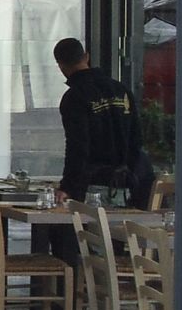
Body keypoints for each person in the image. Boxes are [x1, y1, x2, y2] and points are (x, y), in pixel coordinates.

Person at [52, 38, 154, 209]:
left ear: (60, 65)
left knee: (95, 235)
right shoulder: (121, 89)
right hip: (131, 183)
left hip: (96, 185)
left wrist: (68, 187)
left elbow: (78, 147)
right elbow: (136, 138)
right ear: (86, 57)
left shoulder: (74, 97)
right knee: (122, 235)